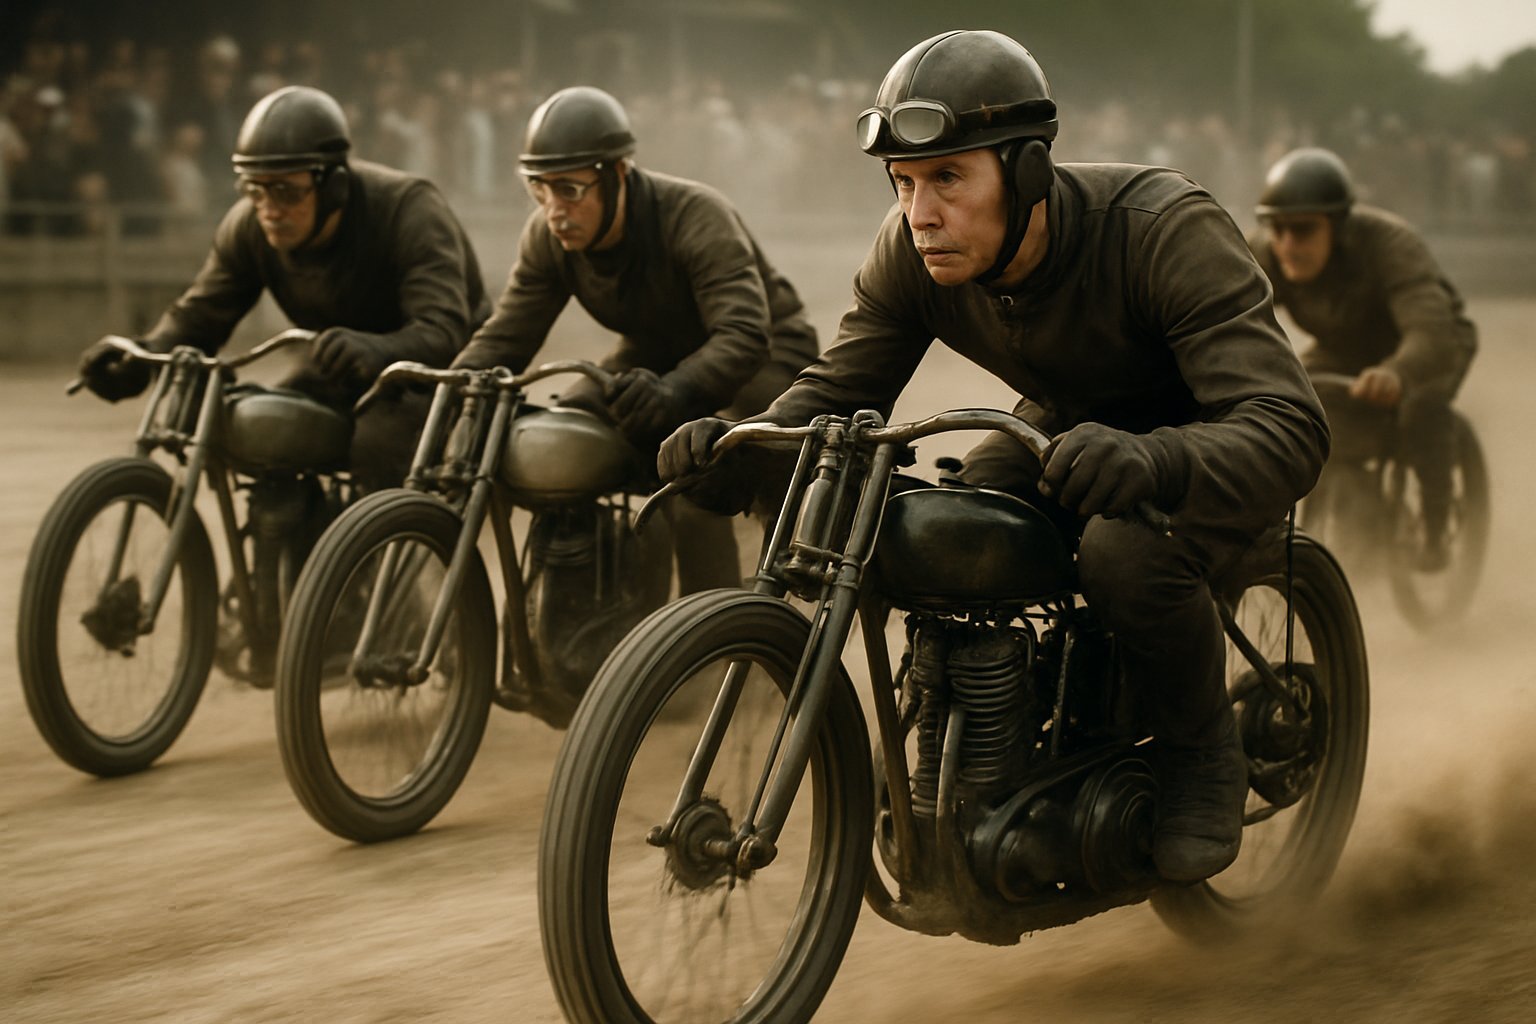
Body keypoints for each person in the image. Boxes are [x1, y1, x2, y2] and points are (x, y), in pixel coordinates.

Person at [659, 30, 1330, 882]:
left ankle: (1200, 755)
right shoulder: (910, 250)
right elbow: (835, 390)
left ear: (1028, 172)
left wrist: (1158, 460)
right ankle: (998, 754)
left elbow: (1290, 423)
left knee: (1124, 552)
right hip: (1065, 427)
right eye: (903, 182)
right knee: (953, 532)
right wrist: (742, 448)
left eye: (948, 177)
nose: (921, 212)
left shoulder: (1162, 229)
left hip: (1207, 439)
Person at [452, 85, 820, 593]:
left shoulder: (695, 214)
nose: (553, 208)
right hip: (655, 354)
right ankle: (588, 602)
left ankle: (709, 641)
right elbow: (507, 334)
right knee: (562, 433)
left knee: (698, 477)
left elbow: (742, 334)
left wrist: (675, 391)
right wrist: (453, 386)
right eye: (538, 189)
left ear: (617, 174)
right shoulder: (547, 237)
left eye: (570, 190)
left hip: (765, 358)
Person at [76, 84, 490, 492]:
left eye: (287, 192)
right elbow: (200, 316)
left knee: (378, 442)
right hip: (336, 364)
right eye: (254, 189)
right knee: (265, 426)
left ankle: (375, 552)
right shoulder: (249, 226)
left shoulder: (408, 209)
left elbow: (444, 332)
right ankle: (288, 533)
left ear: (333, 187)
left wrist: (380, 349)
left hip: (434, 377)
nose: (270, 209)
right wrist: (142, 358)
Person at [1249, 147, 1477, 571]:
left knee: (1420, 410)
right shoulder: (1268, 252)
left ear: (1338, 227)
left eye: (1302, 230)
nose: (1286, 244)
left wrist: (1397, 372)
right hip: (1343, 347)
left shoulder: (1391, 245)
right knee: (1302, 411)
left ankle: (1434, 529)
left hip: (1430, 345)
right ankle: (1360, 515)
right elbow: (1226, 314)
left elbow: (1430, 332)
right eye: (1276, 228)